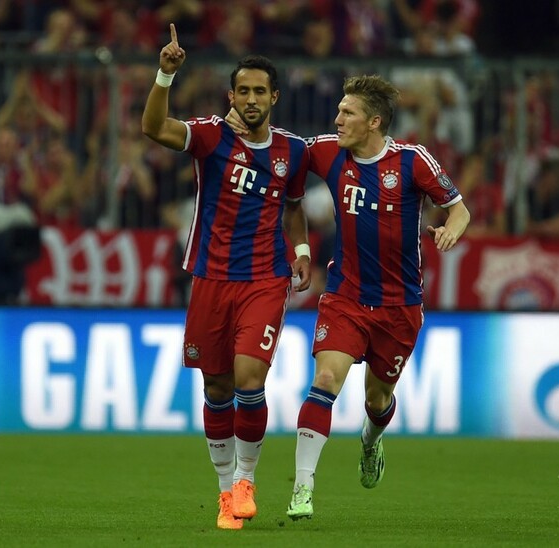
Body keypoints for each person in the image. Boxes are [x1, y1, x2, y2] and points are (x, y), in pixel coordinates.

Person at [227, 74, 470, 521]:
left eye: (347, 112)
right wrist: (243, 121)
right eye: (338, 110)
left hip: (399, 306)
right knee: (325, 381)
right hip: (346, 297)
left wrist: (451, 230)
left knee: (377, 400)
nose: (337, 119)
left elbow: (459, 209)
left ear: (373, 122)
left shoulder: (412, 161)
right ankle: (303, 488)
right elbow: (281, 148)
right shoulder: (328, 152)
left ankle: (371, 441)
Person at [141, 25, 312, 530]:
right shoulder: (212, 136)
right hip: (211, 278)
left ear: (274, 97)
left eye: (260, 90)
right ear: (230, 95)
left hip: (265, 278)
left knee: (249, 379)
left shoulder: (292, 151)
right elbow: (154, 128)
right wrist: (165, 75)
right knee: (216, 388)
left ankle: (245, 480)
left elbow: (294, 206)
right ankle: (223, 492)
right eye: (243, 90)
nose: (252, 98)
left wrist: (302, 250)